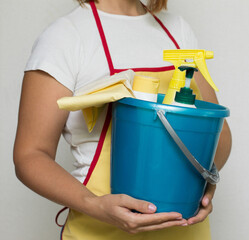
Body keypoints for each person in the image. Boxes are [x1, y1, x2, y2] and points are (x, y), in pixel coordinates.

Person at [13, 0, 232, 239]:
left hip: (186, 230)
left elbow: (216, 132)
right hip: (101, 232)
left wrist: (205, 184)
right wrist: (93, 204)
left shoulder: (177, 31)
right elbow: (31, 155)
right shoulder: (66, 37)